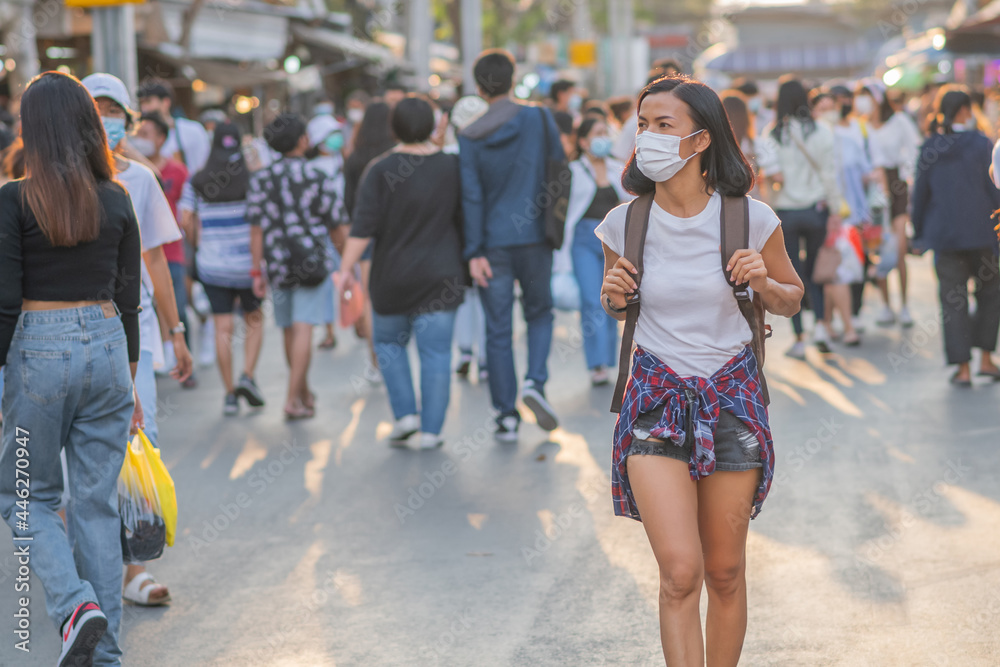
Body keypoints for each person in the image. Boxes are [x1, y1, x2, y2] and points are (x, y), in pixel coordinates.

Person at [597, 74, 803, 667]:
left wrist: (763, 282)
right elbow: (616, 306)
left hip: (731, 399)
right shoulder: (624, 223)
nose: (649, 136)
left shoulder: (750, 219)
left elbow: (791, 297)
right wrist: (611, 296)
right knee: (680, 573)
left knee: (726, 570)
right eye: (642, 125)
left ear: (700, 139)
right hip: (655, 400)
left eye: (664, 125)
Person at [0, 70, 142, 667]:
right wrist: (129, 379)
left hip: (39, 348)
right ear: (89, 124)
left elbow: (6, 300)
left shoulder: (13, 198)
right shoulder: (117, 197)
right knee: (95, 504)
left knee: (26, 496)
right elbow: (130, 297)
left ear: (32, 129)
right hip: (109, 344)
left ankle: (75, 607)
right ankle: (103, 652)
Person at [83, 72, 194, 609]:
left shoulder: (143, 180)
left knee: (133, 445)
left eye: (113, 109)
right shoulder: (50, 179)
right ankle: (87, 570)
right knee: (71, 460)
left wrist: (176, 333)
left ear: (128, 119)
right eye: (94, 107)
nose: (104, 118)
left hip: (138, 333)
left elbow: (158, 262)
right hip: (70, 336)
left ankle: (133, 569)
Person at [337, 96, 466, 449]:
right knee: (437, 354)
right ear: (433, 124)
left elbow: (362, 228)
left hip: (391, 278)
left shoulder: (379, 169)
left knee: (389, 345)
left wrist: (345, 270)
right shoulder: (451, 167)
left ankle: (405, 415)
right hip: (442, 276)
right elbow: (464, 221)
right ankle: (431, 432)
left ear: (394, 127)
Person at [459, 49, 565, 442]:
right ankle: (535, 381)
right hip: (537, 236)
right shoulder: (538, 117)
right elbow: (560, 166)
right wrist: (555, 224)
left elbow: (470, 196)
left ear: (477, 86)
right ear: (513, 77)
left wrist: (473, 251)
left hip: (492, 244)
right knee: (540, 314)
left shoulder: (469, 135)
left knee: (497, 328)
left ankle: (505, 416)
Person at [246, 113, 345, 419]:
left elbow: (256, 229)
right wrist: (346, 262)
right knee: (304, 328)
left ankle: (302, 392)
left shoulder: (261, 178)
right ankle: (292, 399)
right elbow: (336, 225)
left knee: (289, 328)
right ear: (303, 140)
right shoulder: (317, 176)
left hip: (276, 261)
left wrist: (255, 270)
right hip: (311, 261)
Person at [911, 86, 1000, 386]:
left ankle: (963, 368)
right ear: (965, 111)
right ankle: (986, 360)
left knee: (953, 301)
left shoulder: (930, 146)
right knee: (990, 294)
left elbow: (920, 193)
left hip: (944, 237)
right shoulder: (981, 143)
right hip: (983, 234)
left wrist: (919, 233)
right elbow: (994, 189)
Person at [180, 122, 266, 415]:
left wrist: (200, 243)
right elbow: (261, 223)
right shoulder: (253, 180)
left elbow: (186, 218)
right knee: (254, 319)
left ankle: (229, 394)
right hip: (247, 265)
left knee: (223, 328)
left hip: (212, 265)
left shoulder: (197, 181)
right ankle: (248, 376)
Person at [755, 76, 843, 359]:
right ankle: (821, 326)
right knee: (817, 271)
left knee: (790, 277)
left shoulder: (771, 134)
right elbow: (830, 174)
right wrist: (835, 210)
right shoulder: (822, 130)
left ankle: (800, 339)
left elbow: (774, 176)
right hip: (817, 209)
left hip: (787, 214)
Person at [558, 117, 629, 385]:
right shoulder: (573, 171)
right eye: (598, 133)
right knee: (591, 300)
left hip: (612, 242)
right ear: (584, 141)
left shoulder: (616, 169)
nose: (603, 138)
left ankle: (608, 359)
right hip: (582, 241)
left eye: (605, 132)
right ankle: (596, 363)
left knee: (613, 297)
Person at [133, 111, 197, 388]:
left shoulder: (178, 171)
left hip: (171, 252)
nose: (141, 139)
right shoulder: (133, 172)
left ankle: (185, 357)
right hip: (139, 256)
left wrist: (194, 242)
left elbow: (190, 211)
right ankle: (156, 362)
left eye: (147, 134)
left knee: (177, 308)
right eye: (139, 134)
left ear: (161, 138)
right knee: (146, 311)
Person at [858, 81, 923, 327]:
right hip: (871, 188)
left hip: (896, 185)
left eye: (866, 96)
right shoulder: (861, 126)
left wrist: (906, 174)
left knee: (899, 247)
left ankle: (904, 305)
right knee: (877, 246)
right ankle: (885, 306)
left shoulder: (899, 121)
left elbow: (916, 149)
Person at [343, 101, 396, 377]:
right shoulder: (396, 155)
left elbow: (349, 205)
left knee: (370, 299)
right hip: (397, 235)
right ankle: (396, 354)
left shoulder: (355, 158)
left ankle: (376, 362)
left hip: (364, 236)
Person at [447, 96, 491, 382]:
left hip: (457, 236)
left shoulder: (449, 156)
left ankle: (465, 352)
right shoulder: (496, 154)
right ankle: (485, 360)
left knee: (464, 296)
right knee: (489, 297)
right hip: (490, 235)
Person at [305, 114, 348, 351]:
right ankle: (329, 330)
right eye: (332, 135)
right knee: (326, 285)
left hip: (345, 229)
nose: (337, 139)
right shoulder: (311, 169)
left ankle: (358, 320)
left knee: (349, 278)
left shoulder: (342, 162)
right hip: (323, 235)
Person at [137, 78, 211, 173]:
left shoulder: (193, 131)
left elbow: (203, 167)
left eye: (148, 102)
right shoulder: (139, 136)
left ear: (165, 102)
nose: (144, 109)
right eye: (141, 103)